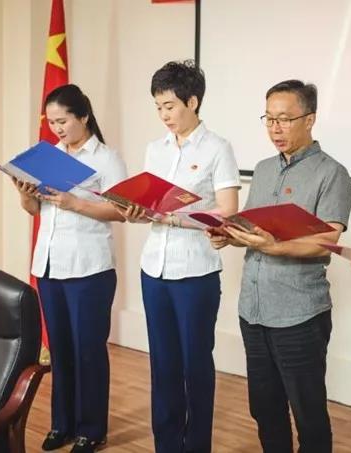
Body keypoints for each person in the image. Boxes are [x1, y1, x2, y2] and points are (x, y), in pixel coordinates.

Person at [209, 80, 351, 453]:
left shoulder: (331, 173)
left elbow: (327, 240)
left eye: (285, 119)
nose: (275, 128)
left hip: (299, 314)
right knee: (265, 408)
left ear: (310, 119)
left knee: (308, 412)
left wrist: (274, 246)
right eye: (269, 119)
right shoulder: (263, 169)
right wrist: (228, 234)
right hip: (253, 310)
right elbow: (252, 229)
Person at [120, 60, 240, 453]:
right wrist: (136, 210)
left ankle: (196, 446)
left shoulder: (218, 148)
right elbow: (149, 203)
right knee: (163, 364)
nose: (164, 115)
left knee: (195, 364)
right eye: (158, 107)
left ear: (193, 101)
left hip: (196, 271)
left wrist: (177, 217)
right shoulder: (154, 149)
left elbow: (228, 209)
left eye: (170, 106)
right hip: (154, 269)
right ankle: (167, 445)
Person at [13, 84, 127, 453]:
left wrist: (74, 202)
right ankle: (62, 424)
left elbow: (121, 211)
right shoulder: (49, 157)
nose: (57, 129)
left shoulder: (107, 159)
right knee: (59, 349)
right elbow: (36, 210)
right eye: (51, 123)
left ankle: (91, 429)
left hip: (89, 268)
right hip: (50, 264)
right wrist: (25, 193)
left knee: (87, 349)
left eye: (62, 121)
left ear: (84, 116)